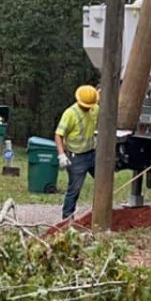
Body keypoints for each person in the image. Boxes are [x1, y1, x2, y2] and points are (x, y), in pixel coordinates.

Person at [55, 84, 99, 220]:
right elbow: (58, 134)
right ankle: (67, 219)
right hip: (76, 157)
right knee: (74, 189)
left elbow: (101, 96)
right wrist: (61, 154)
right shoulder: (70, 113)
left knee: (103, 182)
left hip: (92, 153)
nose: (88, 108)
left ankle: (101, 213)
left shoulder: (95, 108)